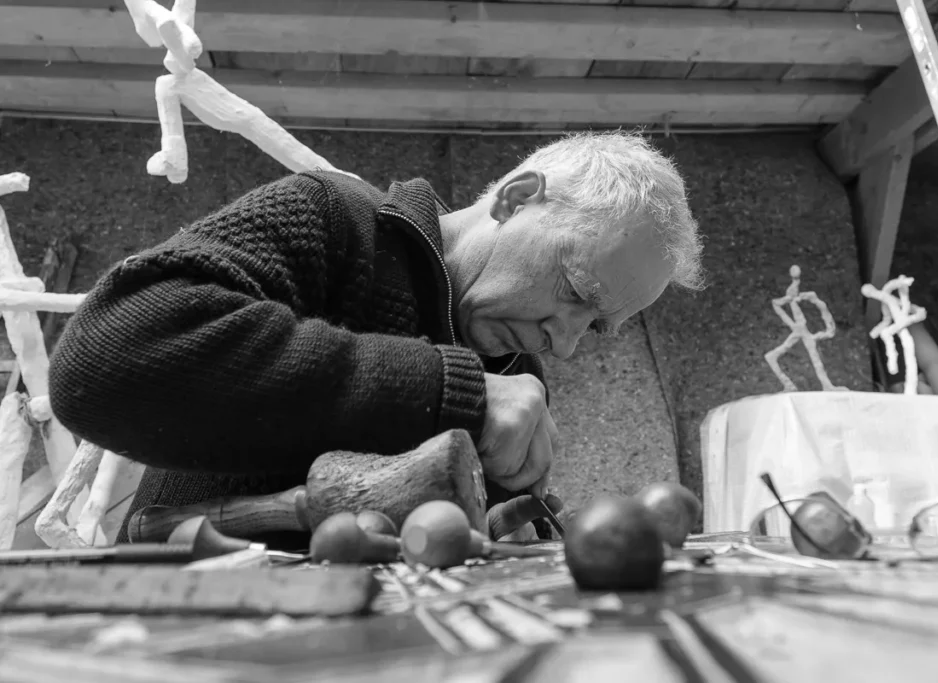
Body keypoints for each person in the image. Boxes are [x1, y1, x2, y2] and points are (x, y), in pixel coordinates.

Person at [48, 131, 704, 544]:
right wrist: (450, 392)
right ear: (516, 197)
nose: (565, 344)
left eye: (595, 325)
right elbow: (106, 359)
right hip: (190, 644)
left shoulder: (516, 366)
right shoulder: (334, 220)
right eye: (575, 289)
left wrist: (494, 529)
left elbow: (438, 547)